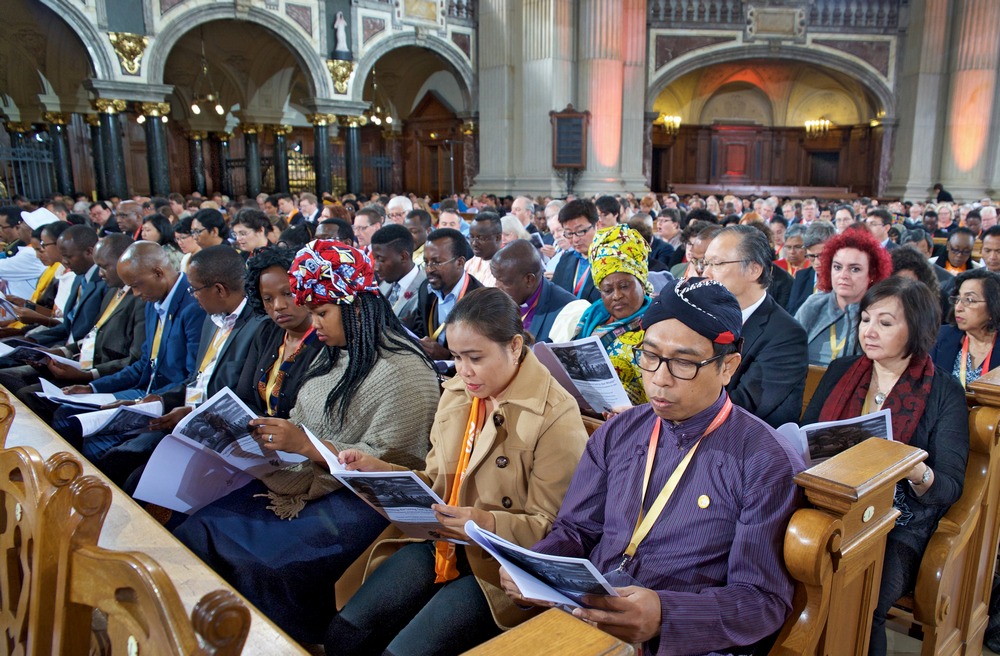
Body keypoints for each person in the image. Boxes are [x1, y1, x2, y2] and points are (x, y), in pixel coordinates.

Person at [502, 277, 805, 654]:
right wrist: (536, 568)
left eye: (684, 363)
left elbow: (761, 600)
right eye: (649, 356)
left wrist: (666, 614)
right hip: (584, 618)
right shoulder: (619, 431)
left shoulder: (765, 461)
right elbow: (576, 530)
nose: (660, 379)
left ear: (728, 367)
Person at [173, 240, 440, 645]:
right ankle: (194, 638)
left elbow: (391, 466)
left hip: (364, 504)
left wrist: (305, 446)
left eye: (322, 313)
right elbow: (305, 418)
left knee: (260, 563)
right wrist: (269, 439)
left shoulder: (406, 371)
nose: (315, 324)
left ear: (355, 307)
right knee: (200, 525)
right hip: (303, 478)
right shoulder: (336, 353)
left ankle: (263, 644)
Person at [327, 287, 588, 655]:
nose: (463, 371)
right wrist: (380, 472)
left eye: (475, 358)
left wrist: (485, 521)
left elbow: (555, 530)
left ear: (515, 347)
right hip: (443, 541)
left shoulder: (555, 415)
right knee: (344, 634)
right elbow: (437, 485)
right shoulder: (458, 392)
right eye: (455, 357)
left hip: (503, 565)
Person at [801, 278, 968, 656]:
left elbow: (949, 486)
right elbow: (806, 437)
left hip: (900, 521)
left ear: (917, 329)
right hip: (828, 503)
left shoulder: (943, 391)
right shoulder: (842, 370)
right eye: (865, 319)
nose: (869, 331)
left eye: (885, 322)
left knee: (864, 599)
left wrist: (913, 468)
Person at [93, 245, 267, 484]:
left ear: (219, 290)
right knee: (114, 457)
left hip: (217, 430)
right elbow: (196, 380)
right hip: (185, 415)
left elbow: (243, 400)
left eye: (194, 289)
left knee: (128, 470)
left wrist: (194, 414)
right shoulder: (212, 319)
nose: (192, 296)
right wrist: (158, 400)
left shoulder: (259, 327)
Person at [702, 225, 808, 427]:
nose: (706, 273)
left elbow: (744, 407)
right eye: (705, 263)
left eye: (717, 264)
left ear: (753, 270)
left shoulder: (787, 336)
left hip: (748, 438)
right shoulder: (703, 315)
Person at [234, 246, 322, 418]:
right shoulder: (266, 332)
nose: (278, 306)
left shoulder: (326, 340)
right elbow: (245, 397)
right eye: (268, 299)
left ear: (307, 288)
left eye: (288, 293)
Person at [573, 225, 652, 405]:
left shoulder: (657, 325)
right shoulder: (592, 318)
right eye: (607, 290)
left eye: (624, 286)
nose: (616, 296)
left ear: (641, 283)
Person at [795, 229, 893, 365]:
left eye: (854, 269)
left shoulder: (881, 313)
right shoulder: (814, 304)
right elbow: (787, 350)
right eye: (837, 267)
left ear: (872, 274)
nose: (843, 275)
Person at [413, 228, 484, 359]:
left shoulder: (480, 300)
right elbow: (419, 328)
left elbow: (481, 353)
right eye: (426, 262)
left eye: (436, 262)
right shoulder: (425, 289)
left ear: (460, 263)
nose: (429, 269)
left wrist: (446, 356)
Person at [490, 239, 577, 343]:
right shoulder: (500, 301)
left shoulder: (566, 311)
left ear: (529, 280)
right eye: (496, 279)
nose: (497, 286)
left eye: (505, 282)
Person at [930, 269, 1000, 387]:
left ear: (994, 305)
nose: (958, 307)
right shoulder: (940, 337)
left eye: (969, 300)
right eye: (957, 299)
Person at [370, 224, 426, 328]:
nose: (376, 267)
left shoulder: (426, 290)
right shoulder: (384, 284)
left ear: (403, 257)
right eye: (375, 259)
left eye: (381, 260)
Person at [551, 199, 601, 302]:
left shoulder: (611, 260)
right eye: (569, 233)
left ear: (597, 225)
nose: (575, 239)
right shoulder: (565, 260)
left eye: (580, 231)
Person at [786, 220, 837, 315]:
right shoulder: (801, 277)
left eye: (822, 256)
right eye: (812, 256)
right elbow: (791, 313)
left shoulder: (841, 279)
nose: (817, 262)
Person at [0, 206, 47, 297]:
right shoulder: (27, 250)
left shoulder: (31, 254)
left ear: (31, 231)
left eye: (24, 223)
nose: (19, 226)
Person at [465, 213, 502, 286]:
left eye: (481, 238)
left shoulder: (505, 269)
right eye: (472, 237)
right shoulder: (469, 264)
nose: (474, 243)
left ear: (497, 238)